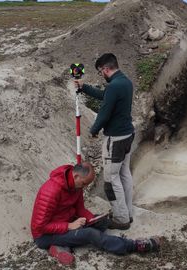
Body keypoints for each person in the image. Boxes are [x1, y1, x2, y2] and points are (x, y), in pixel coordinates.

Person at [30, 162, 161, 266]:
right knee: (90, 234)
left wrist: (92, 219)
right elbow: (39, 227)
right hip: (45, 235)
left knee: (101, 222)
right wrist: (69, 226)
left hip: (66, 221)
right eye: (84, 183)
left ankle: (61, 246)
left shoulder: (76, 185)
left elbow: (80, 209)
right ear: (76, 176)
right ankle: (134, 246)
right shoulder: (51, 191)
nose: (84, 187)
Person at [74, 53, 135, 230]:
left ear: (106, 69)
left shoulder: (115, 86)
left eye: (101, 72)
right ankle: (128, 213)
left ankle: (121, 218)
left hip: (115, 140)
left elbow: (105, 112)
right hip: (127, 135)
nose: (102, 75)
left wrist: (93, 130)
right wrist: (84, 87)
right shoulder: (124, 82)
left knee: (110, 180)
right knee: (124, 174)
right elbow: (106, 96)